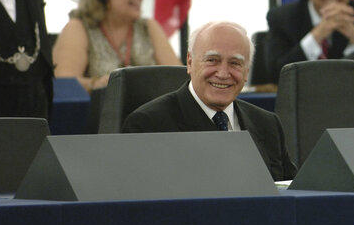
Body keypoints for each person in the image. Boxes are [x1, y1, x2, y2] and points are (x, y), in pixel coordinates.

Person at [122, 21, 297, 181]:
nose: (223, 73)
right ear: (190, 62)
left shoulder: (267, 124)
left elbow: (290, 193)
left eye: (235, 63)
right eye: (212, 60)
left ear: (246, 72)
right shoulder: (148, 125)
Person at [53, 0, 180, 92]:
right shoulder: (79, 28)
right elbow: (63, 85)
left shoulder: (148, 27)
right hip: (98, 112)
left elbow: (178, 79)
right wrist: (95, 84)